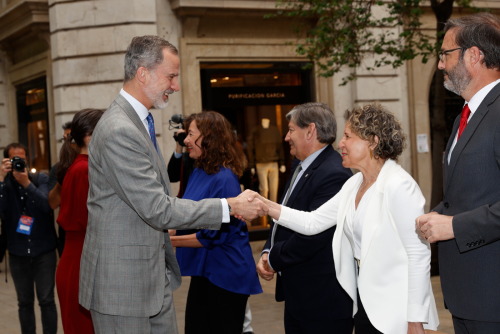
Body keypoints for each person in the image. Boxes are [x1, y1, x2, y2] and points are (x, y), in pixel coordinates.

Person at [78, 35, 267, 334]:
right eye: (171, 76)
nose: (176, 86)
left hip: (149, 279)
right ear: (143, 73)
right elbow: (156, 208)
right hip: (123, 287)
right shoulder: (120, 129)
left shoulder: (138, 123)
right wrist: (230, 205)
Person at [246, 103, 439, 334]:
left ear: (373, 141)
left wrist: (415, 320)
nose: (340, 143)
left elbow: (418, 254)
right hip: (364, 303)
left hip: (395, 309)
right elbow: (312, 222)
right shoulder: (353, 183)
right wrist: (265, 205)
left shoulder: (399, 185)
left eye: (348, 136)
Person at [416, 13, 500, 334]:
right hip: (467, 296)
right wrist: (437, 215)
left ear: (474, 55)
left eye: (445, 54)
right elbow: (471, 194)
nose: (440, 65)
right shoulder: (464, 116)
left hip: (492, 297)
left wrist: (454, 226)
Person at [256, 102, 353, 333]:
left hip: (322, 300)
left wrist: (274, 259)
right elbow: (284, 215)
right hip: (299, 295)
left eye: (291, 130)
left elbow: (315, 235)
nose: (286, 137)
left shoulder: (335, 173)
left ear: (310, 131)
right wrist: (267, 250)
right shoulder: (300, 165)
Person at [170, 111, 262, 334]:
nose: (187, 140)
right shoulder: (200, 170)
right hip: (206, 271)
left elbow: (213, 236)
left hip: (226, 275)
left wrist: (167, 241)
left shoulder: (224, 178)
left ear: (208, 138)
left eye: (191, 134)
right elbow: (186, 214)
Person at [0, 142, 58, 334]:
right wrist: (1, 179)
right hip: (17, 252)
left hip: (44, 250)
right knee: (24, 303)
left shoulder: (40, 178)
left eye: (22, 158)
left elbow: (46, 206)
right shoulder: (4, 185)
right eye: (14, 158)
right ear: (6, 161)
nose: (19, 162)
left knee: (47, 300)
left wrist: (26, 183)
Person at [56, 109, 103, 334]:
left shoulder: (81, 165)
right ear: (89, 136)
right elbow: (91, 223)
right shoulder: (84, 169)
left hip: (78, 257)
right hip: (82, 261)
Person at [48, 120, 74, 256]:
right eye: (64, 139)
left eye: (70, 138)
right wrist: (63, 176)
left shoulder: (93, 163)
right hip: (67, 231)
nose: (67, 144)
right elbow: (53, 203)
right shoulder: (58, 168)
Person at [247, 117, 286, 202]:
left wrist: (282, 163)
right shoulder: (256, 131)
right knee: (264, 189)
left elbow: (280, 147)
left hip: (274, 163)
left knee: (274, 189)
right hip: (260, 163)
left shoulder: (275, 131)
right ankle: (263, 212)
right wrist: (252, 165)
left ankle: (273, 212)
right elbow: (251, 148)